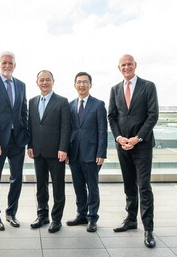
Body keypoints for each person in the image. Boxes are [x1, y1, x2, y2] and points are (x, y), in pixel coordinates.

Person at [107, 54, 159, 248]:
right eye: (123, 65)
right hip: (123, 145)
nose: (126, 67)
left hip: (142, 145)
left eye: (129, 64)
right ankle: (130, 220)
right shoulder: (115, 89)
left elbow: (153, 115)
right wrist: (119, 138)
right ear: (119, 67)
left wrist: (137, 138)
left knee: (144, 186)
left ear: (135, 65)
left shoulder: (148, 86)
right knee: (129, 185)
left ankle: (148, 229)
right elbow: (111, 116)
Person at [0, 51, 29, 231]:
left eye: (10, 63)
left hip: (18, 140)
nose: (7, 65)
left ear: (15, 65)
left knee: (17, 178)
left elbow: (23, 112)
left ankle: (11, 213)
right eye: (4, 63)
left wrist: (25, 135)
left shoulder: (21, 85)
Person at [27, 70, 70, 233]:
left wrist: (63, 148)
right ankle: (42, 215)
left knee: (58, 187)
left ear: (53, 81)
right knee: (40, 186)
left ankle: (56, 219)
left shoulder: (62, 101)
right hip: (37, 151)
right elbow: (31, 125)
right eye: (41, 80)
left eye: (48, 80)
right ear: (37, 82)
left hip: (56, 152)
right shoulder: (32, 101)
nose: (45, 82)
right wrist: (29, 145)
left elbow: (66, 127)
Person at [66, 72, 107, 233]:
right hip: (74, 153)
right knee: (78, 187)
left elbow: (102, 130)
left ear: (90, 84)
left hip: (92, 153)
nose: (82, 85)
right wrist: (67, 151)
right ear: (74, 85)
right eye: (79, 82)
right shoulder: (70, 105)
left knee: (92, 187)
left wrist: (101, 153)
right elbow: (68, 130)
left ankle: (92, 218)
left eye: (85, 82)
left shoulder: (98, 104)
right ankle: (81, 214)